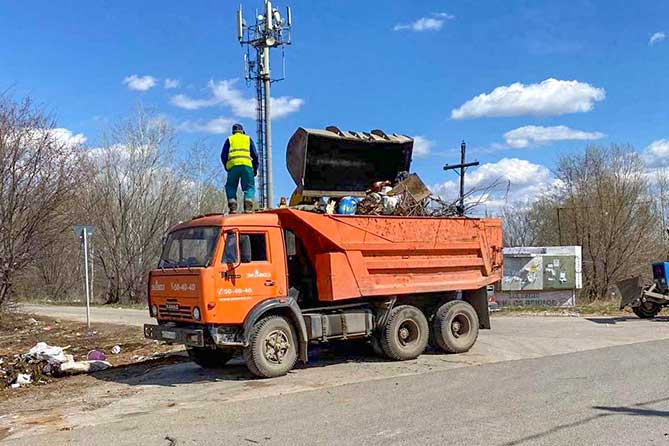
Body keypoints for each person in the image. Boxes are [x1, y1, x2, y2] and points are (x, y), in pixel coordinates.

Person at [220, 123, 259, 213]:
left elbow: (223, 155)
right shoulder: (247, 139)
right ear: (242, 131)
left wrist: (226, 166)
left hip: (233, 166)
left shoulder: (229, 139)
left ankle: (233, 206)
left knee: (231, 186)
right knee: (249, 186)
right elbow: (255, 155)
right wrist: (255, 169)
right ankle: (248, 205)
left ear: (233, 132)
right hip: (247, 166)